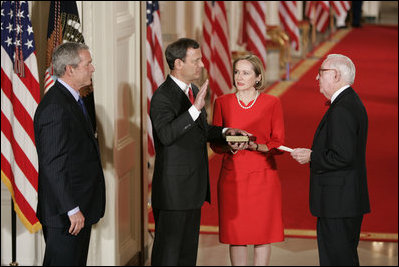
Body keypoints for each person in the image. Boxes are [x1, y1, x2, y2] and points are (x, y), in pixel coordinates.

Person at [149, 38, 248, 266]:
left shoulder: (193, 90)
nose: (202, 65)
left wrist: (228, 133)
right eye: (196, 60)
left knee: (186, 257)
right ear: (178, 64)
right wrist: (195, 109)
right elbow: (166, 135)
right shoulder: (162, 96)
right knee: (169, 256)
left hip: (192, 189)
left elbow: (202, 132)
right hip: (173, 193)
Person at [290, 54, 370, 266]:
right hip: (344, 200)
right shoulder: (348, 101)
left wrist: (311, 156)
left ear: (335, 75)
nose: (317, 78)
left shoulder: (342, 108)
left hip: (338, 203)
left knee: (337, 260)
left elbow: (343, 155)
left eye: (321, 72)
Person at [34, 42, 105, 266]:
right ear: (70, 69)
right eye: (88, 64)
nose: (92, 68)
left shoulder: (73, 99)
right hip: (65, 213)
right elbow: (52, 164)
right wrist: (71, 209)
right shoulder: (55, 106)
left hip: (77, 209)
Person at [210, 54, 285, 266]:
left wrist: (257, 146)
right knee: (237, 235)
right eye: (236, 72)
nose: (239, 77)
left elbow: (278, 143)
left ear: (258, 78)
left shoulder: (272, 103)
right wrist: (230, 146)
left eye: (245, 73)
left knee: (263, 233)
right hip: (233, 178)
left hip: (263, 178)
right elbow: (215, 143)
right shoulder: (222, 103)